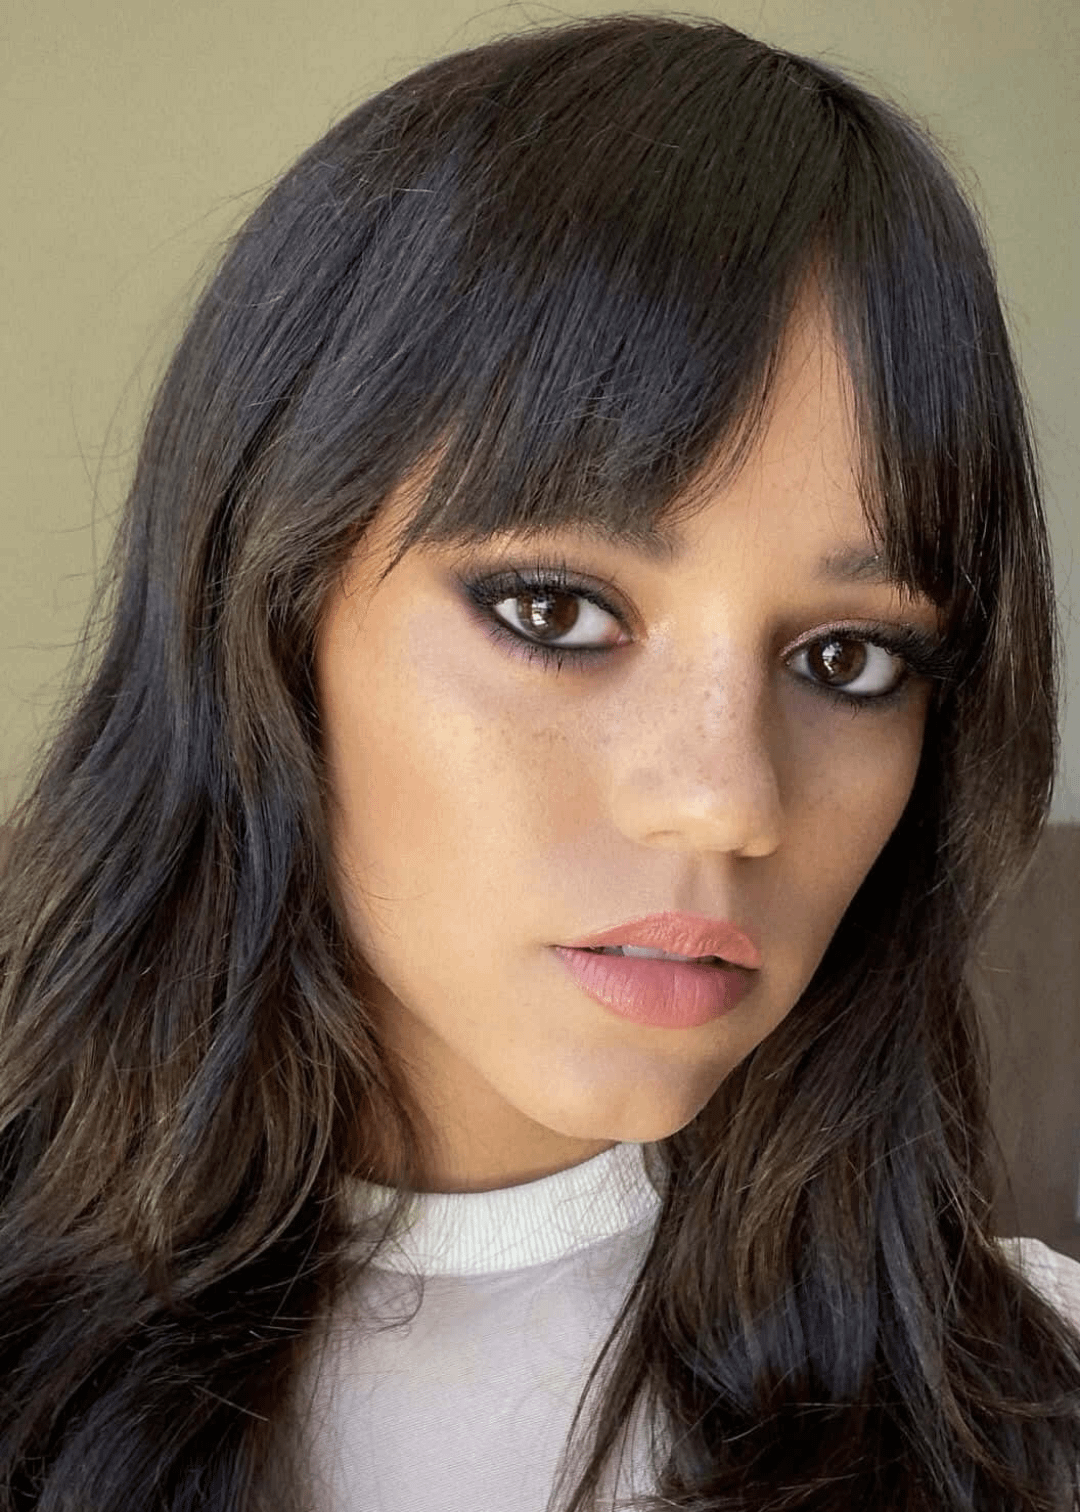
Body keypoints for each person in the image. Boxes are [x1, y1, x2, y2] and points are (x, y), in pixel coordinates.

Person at [0, 13, 1077, 1510]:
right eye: (556, 612)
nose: (725, 799)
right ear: (269, 614)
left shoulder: (1029, 1408)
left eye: (850, 661)